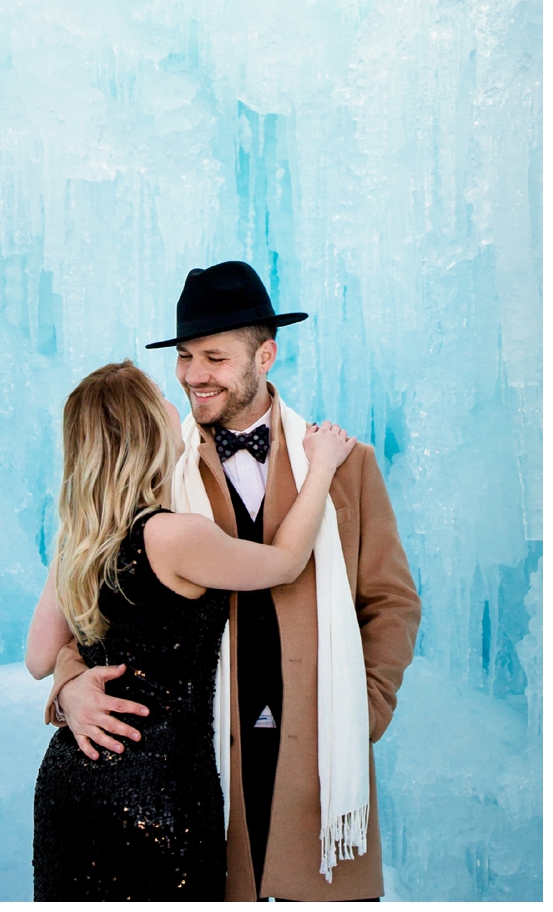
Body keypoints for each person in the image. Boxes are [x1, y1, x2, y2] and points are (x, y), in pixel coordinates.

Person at [47, 263, 422, 900]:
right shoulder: (150, 465)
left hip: (317, 751)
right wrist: (70, 684)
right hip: (193, 764)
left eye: (215, 357)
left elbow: (391, 601)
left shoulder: (345, 463)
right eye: (186, 357)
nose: (195, 375)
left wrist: (363, 710)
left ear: (265, 356)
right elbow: (88, 601)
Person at [27, 358, 353, 898]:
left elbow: (40, 657)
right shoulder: (177, 537)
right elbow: (287, 562)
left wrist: (68, 687)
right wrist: (320, 467)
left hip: (72, 782)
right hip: (161, 792)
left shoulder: (74, 544)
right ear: (148, 433)